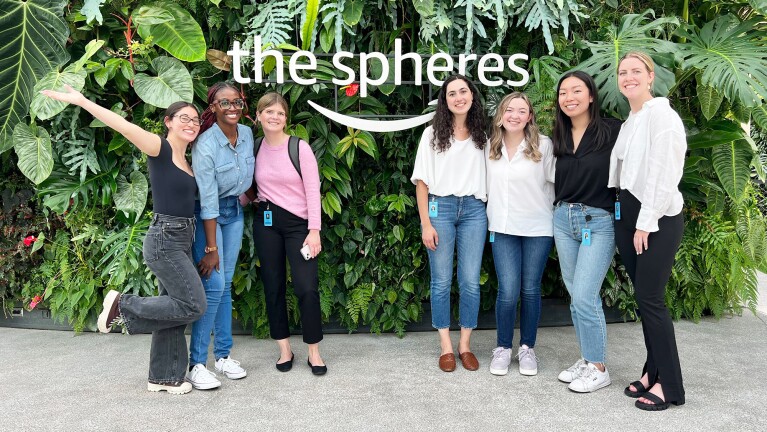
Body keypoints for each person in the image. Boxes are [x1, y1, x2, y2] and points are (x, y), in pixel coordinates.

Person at [41, 85, 206, 395]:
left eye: (196, 120)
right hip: (165, 239)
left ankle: (164, 377)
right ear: (168, 121)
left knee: (172, 309)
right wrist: (82, 100)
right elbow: (124, 126)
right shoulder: (161, 148)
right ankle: (122, 304)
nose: (191, 123)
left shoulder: (188, 161)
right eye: (184, 117)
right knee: (193, 304)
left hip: (181, 237)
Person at [609, 51, 686, 411]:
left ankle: (670, 386)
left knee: (650, 298)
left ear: (651, 76)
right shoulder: (631, 120)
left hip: (655, 217)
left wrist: (645, 221)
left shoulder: (662, 116)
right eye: (623, 72)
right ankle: (651, 371)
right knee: (643, 299)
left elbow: (663, 173)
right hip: (628, 214)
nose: (628, 77)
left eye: (636, 71)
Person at [241, 92, 326, 375]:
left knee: (306, 287)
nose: (274, 117)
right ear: (259, 115)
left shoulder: (299, 148)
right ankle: (284, 349)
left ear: (285, 118)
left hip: (298, 225)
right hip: (266, 222)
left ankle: (314, 351)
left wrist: (314, 231)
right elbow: (246, 187)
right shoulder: (253, 148)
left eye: (279, 113)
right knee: (273, 285)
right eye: (269, 112)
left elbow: (313, 192)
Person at [411, 74, 488, 372]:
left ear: (472, 96)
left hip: (474, 210)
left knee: (470, 280)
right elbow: (421, 183)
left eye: (463, 91)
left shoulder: (484, 135)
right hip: (439, 209)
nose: (459, 97)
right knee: (441, 280)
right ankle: (445, 345)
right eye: (452, 93)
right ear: (445, 100)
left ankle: (465, 344)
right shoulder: (431, 135)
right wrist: (425, 224)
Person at [551, 71, 622, 392]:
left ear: (591, 95)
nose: (569, 97)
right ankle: (586, 358)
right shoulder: (559, 136)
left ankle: (598, 366)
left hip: (598, 221)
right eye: (563, 93)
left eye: (576, 91)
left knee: (584, 296)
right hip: (563, 220)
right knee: (575, 296)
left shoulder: (613, 130)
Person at [185, 82, 253, 390]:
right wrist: (211, 247)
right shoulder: (206, 143)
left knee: (225, 284)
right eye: (224, 103)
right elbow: (208, 199)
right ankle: (196, 363)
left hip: (234, 213)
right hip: (208, 216)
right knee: (212, 284)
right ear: (213, 108)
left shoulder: (248, 135)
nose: (232, 107)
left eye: (236, 101)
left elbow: (246, 179)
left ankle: (222, 357)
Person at [485, 92, 555, 376]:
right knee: (508, 290)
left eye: (522, 110)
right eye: (509, 109)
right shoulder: (489, 147)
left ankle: (527, 348)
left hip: (538, 227)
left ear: (530, 116)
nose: (515, 115)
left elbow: (557, 183)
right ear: (501, 115)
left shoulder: (544, 145)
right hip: (502, 228)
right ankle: (502, 347)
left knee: (529, 289)